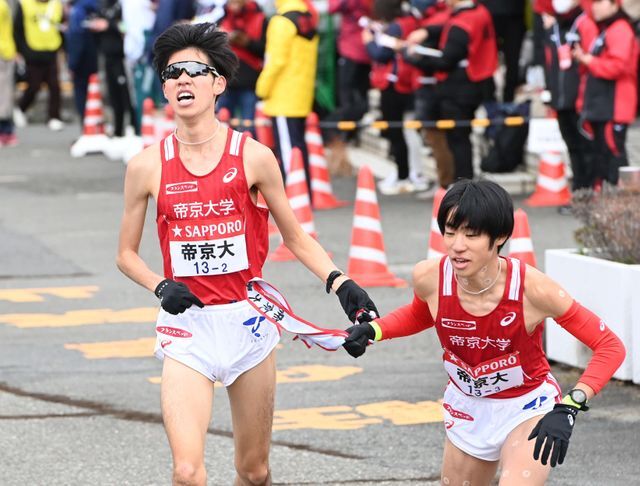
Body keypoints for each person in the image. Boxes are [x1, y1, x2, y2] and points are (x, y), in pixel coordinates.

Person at [116, 22, 378, 486]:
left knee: (254, 472)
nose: (183, 80)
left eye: (196, 70)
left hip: (248, 321)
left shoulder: (254, 156)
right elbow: (126, 254)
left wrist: (342, 284)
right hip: (187, 327)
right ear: (163, 87)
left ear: (218, 83)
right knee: (185, 470)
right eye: (173, 72)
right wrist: (160, 286)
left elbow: (295, 236)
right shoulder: (146, 165)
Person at [342, 179, 626, 484]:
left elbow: (609, 345)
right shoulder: (430, 277)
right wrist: (374, 330)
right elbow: (421, 314)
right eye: (450, 233)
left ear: (500, 236)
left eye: (471, 235)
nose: (457, 245)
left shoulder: (534, 289)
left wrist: (572, 404)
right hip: (467, 406)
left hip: (525, 406)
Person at [405, 0, 498, 181]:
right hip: (475, 82)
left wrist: (413, 58)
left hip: (460, 88)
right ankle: (463, 183)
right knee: (460, 138)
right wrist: (426, 32)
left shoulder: (463, 23)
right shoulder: (479, 11)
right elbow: (446, 26)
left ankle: (463, 184)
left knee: (458, 140)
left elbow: (445, 61)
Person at [255, 0, 318, 195]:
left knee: (288, 147)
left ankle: (295, 194)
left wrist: (262, 88)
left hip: (283, 94)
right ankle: (303, 191)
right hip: (302, 92)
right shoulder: (308, 18)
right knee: (298, 145)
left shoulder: (281, 21)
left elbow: (276, 61)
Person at [573, 0, 638, 187]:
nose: (594, 6)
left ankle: (627, 206)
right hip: (603, 106)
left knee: (615, 157)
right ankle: (614, 207)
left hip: (614, 105)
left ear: (615, 5)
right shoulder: (607, 29)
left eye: (600, 2)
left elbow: (617, 66)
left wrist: (588, 60)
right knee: (603, 158)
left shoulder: (620, 28)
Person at [13, 0, 65, 131]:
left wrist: (63, 48)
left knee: (55, 86)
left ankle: (54, 117)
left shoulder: (56, 5)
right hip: (32, 52)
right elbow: (17, 29)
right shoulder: (25, 4)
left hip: (51, 51)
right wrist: (21, 51)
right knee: (34, 85)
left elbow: (62, 27)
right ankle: (20, 109)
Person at [217, 0, 268, 134]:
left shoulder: (261, 19)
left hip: (250, 84)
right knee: (221, 127)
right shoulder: (222, 19)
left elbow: (266, 51)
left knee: (249, 128)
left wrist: (247, 42)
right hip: (226, 83)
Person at [0, 0, 18, 147]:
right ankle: (7, 132)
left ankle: (6, 132)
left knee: (4, 95)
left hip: (3, 54)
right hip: (6, 52)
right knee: (5, 95)